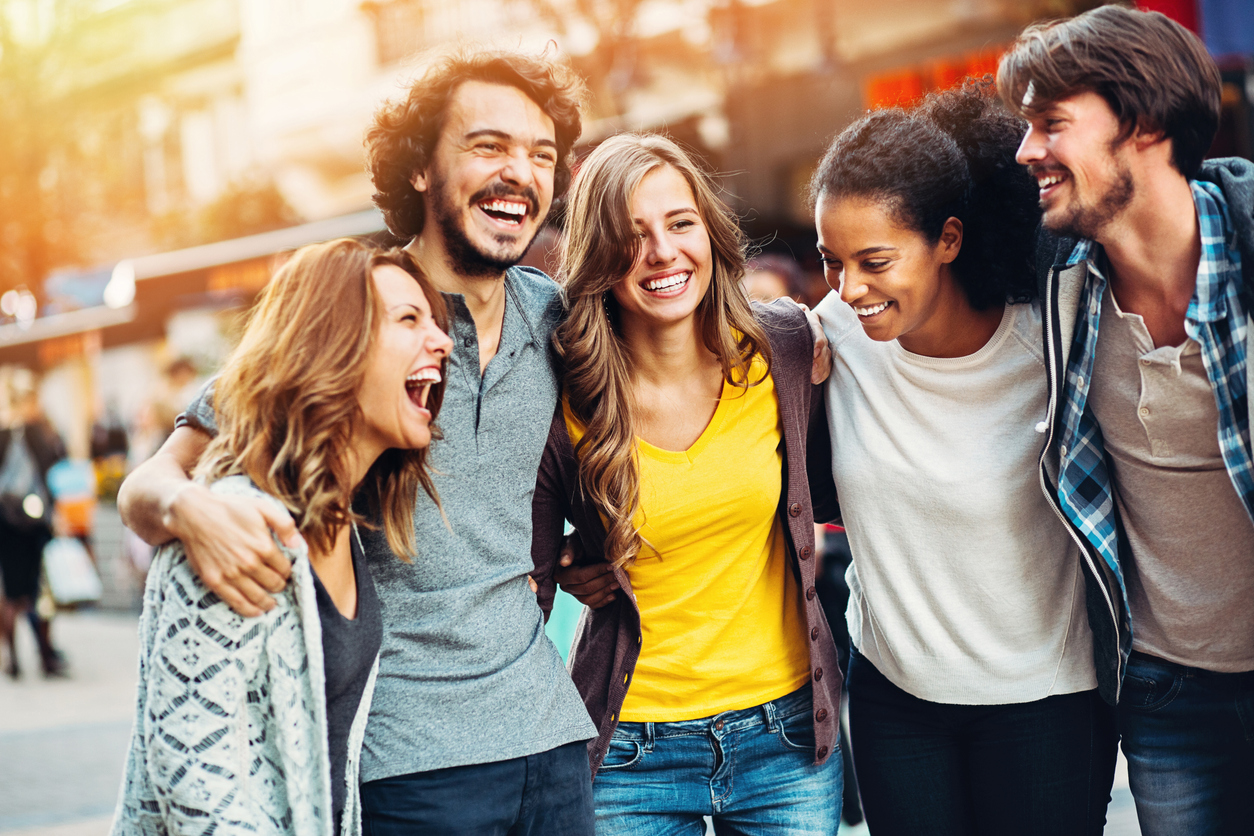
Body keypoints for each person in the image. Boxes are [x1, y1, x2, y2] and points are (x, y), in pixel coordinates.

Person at [116, 49, 601, 834]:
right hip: (406, 764)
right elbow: (147, 487)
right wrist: (187, 509)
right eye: (488, 146)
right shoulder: (352, 314)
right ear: (420, 168)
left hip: (551, 739)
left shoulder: (552, 315)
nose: (520, 172)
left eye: (540, 154)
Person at [809, 81, 1117, 835]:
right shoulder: (828, 338)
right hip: (894, 705)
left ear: (948, 239)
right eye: (830, 261)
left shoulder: (1051, 342)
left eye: (875, 260)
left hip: (1047, 707)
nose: (850, 289)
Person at [533, 133, 843, 834]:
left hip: (786, 737)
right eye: (631, 235)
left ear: (710, 232)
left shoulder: (786, 348)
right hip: (629, 751)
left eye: (680, 223)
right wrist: (573, 559)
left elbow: (845, 488)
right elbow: (521, 570)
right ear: (598, 257)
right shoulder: (563, 397)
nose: (662, 252)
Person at [999, 6, 1254, 833]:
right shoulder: (1061, 286)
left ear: (1142, 124)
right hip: (1166, 696)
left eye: (1051, 124)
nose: (1027, 150)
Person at [110, 239, 452, 836]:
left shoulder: (344, 525)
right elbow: (195, 788)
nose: (443, 341)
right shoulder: (233, 528)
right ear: (332, 346)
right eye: (408, 319)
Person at [0, 379, 68, 679]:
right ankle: (45, 654)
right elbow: (54, 465)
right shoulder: (34, 431)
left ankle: (13, 657)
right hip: (34, 522)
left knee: (12, 593)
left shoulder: (3, 432)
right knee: (39, 590)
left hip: (5, 522)